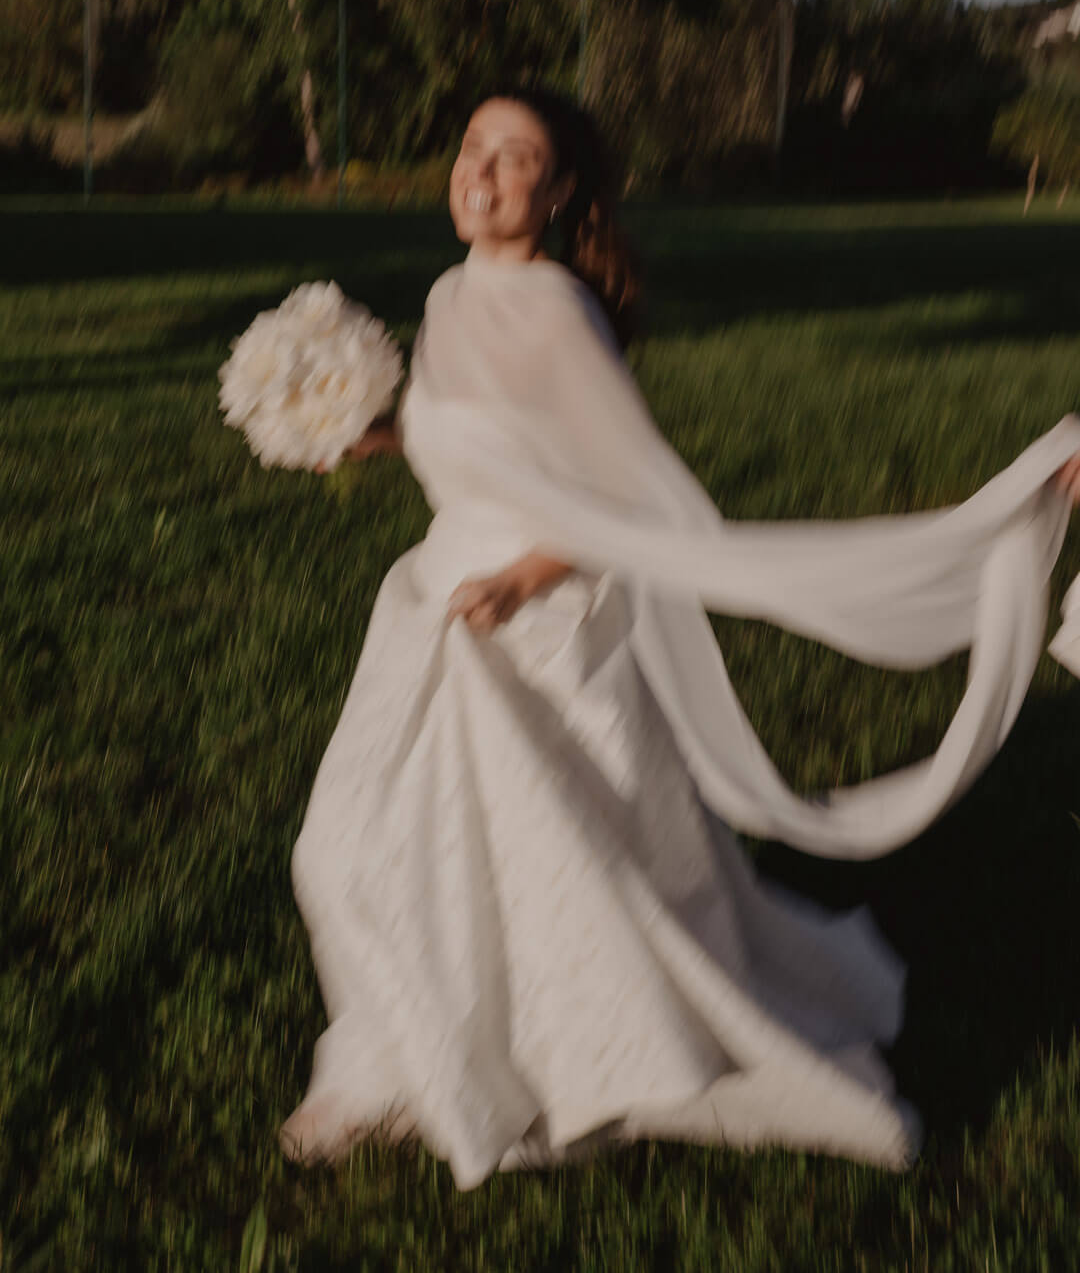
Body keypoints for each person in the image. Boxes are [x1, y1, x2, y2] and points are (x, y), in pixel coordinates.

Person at [280, 87, 1080, 1188]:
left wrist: (526, 577)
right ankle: (397, 1054)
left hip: (532, 626)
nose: (484, 171)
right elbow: (464, 433)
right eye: (473, 147)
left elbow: (637, 501)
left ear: (560, 192)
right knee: (349, 849)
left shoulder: (558, 312)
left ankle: (574, 1058)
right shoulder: (450, 294)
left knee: (533, 868)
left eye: (517, 157)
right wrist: (358, 431)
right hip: (435, 606)